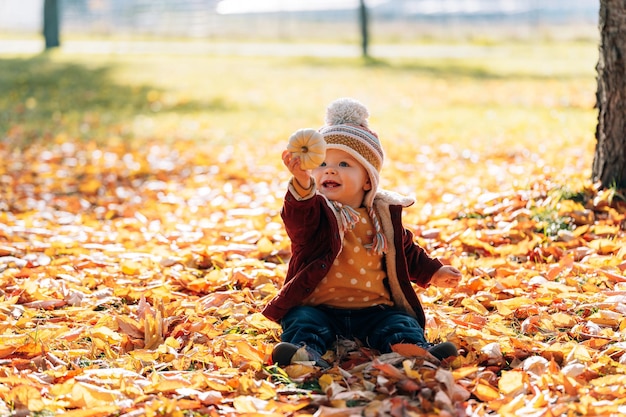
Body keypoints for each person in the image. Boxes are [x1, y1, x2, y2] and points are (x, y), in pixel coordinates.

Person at [262, 98, 462, 368]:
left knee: (399, 323)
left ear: (368, 178)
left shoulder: (382, 217)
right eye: (322, 164)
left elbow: (407, 252)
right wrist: (301, 184)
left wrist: (434, 272)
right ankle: (303, 353)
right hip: (320, 308)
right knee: (303, 321)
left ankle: (416, 350)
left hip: (374, 310)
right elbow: (297, 220)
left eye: (344, 164)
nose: (330, 169)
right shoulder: (316, 212)